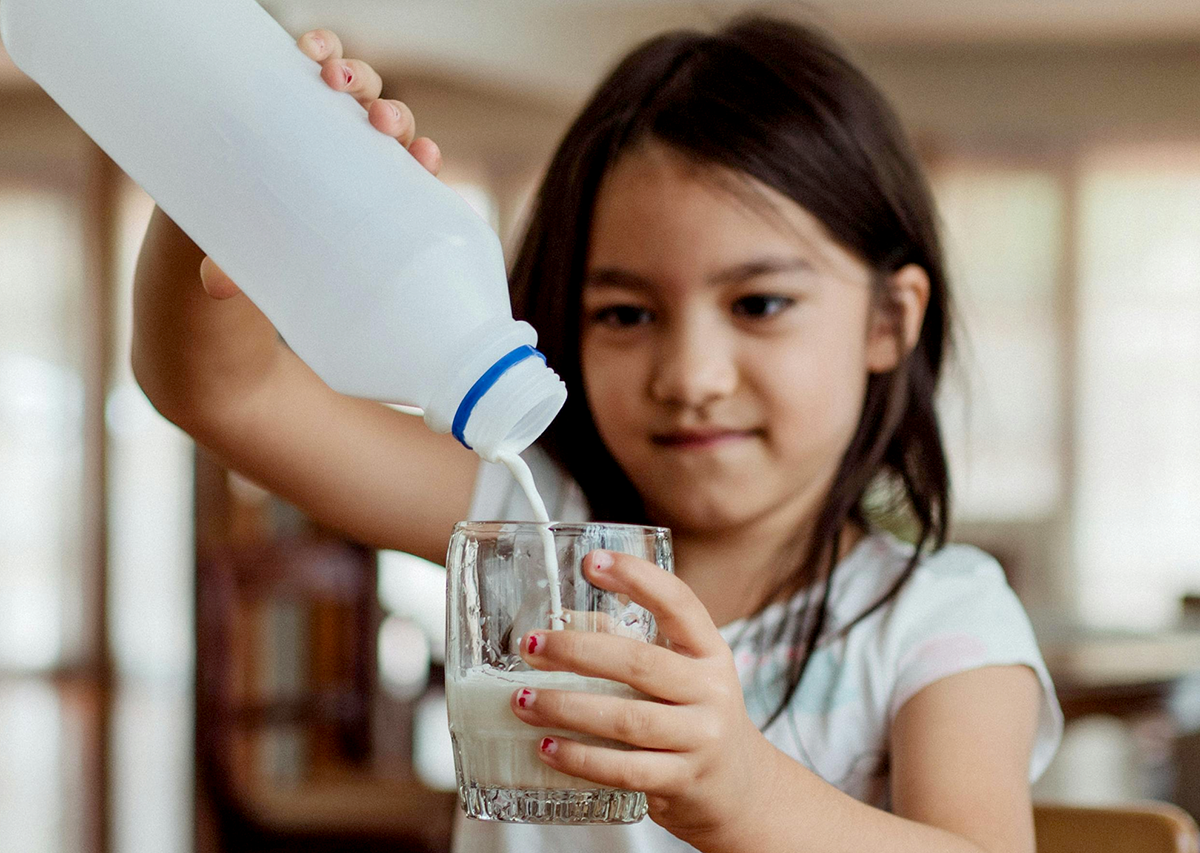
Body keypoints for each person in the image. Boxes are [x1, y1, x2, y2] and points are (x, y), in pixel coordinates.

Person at [132, 14, 1062, 853]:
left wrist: (741, 790)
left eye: (760, 302)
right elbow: (225, 393)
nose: (690, 377)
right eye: (626, 313)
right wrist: (230, 178)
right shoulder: (533, 530)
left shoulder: (941, 620)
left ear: (887, 323)